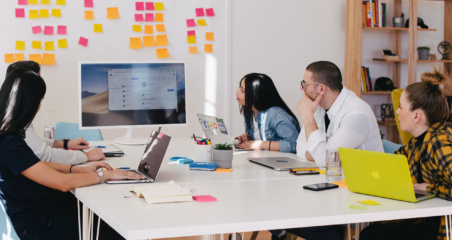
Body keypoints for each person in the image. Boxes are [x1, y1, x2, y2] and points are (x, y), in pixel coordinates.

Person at [0, 70, 144, 240]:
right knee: (116, 230)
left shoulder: (9, 135)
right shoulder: (9, 143)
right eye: (39, 101)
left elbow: (35, 165)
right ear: (30, 104)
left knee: (104, 216)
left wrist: (79, 170)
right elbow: (63, 183)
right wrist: (105, 175)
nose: (39, 107)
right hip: (39, 227)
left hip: (38, 216)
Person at [360, 67, 450, 240]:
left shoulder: (439, 143)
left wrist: (431, 188)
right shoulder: (418, 141)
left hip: (437, 224)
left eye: (401, 107)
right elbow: (394, 162)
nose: (397, 112)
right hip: (424, 216)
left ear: (416, 116)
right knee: (371, 232)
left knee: (372, 235)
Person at [6, 61, 104, 164]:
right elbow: (45, 155)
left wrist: (66, 144)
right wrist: (86, 156)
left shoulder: (13, 111)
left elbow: (34, 144)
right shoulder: (14, 120)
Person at [296, 61, 383, 167]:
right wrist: (317, 155)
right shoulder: (317, 106)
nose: (302, 88)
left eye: (305, 84)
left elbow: (327, 161)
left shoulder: (356, 113)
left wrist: (308, 117)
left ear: (321, 89)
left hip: (365, 181)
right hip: (336, 177)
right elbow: (300, 146)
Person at [234, 73, 300, 153]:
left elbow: (294, 144)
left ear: (256, 95)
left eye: (242, 90)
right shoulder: (249, 112)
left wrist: (262, 144)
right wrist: (247, 138)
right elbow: (258, 138)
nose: (237, 92)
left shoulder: (276, 115)